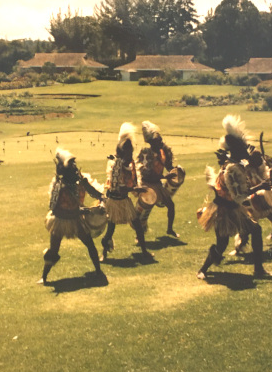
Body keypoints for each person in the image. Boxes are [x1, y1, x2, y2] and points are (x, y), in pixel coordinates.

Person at [196, 115, 272, 280]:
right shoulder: (231, 169)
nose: (246, 150)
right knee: (221, 245)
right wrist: (261, 187)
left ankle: (258, 269)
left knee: (256, 230)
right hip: (224, 210)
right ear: (235, 149)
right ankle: (203, 269)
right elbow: (239, 197)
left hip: (234, 208)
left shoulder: (237, 164)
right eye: (242, 147)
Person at [38, 148, 105, 285]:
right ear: (65, 171)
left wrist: (101, 202)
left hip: (76, 220)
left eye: (75, 167)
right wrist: (80, 212)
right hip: (60, 221)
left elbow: (97, 194)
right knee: (53, 250)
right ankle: (44, 277)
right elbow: (55, 210)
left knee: (90, 244)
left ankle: (98, 271)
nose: (75, 170)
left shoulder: (81, 182)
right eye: (72, 168)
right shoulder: (59, 187)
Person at [100, 123, 153, 261]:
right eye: (129, 153)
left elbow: (128, 184)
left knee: (137, 226)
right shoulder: (117, 165)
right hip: (115, 201)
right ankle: (104, 254)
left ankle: (144, 252)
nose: (131, 155)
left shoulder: (125, 164)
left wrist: (136, 188)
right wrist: (136, 189)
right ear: (124, 153)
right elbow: (119, 187)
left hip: (124, 200)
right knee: (110, 230)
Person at [232, 146, 272, 256]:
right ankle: (238, 249)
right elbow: (244, 191)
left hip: (265, 201)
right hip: (251, 203)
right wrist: (260, 186)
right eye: (257, 160)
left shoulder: (262, 169)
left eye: (260, 159)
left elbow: (268, 180)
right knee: (246, 230)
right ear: (251, 161)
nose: (260, 161)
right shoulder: (244, 171)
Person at [136, 121, 180, 238]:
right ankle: (139, 234)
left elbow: (169, 167)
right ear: (152, 142)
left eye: (160, 140)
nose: (161, 142)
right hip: (147, 185)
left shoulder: (163, 151)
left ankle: (169, 229)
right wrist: (165, 177)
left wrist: (175, 172)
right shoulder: (146, 154)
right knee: (144, 211)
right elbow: (147, 173)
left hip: (158, 184)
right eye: (158, 141)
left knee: (170, 205)